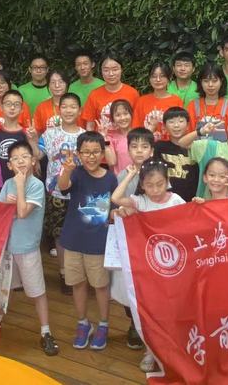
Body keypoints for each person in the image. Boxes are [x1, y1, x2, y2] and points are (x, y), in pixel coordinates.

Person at [111, 159, 185, 372]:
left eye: (160, 184)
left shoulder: (176, 200)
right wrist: (130, 175)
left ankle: (173, 351)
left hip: (174, 265)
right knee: (152, 311)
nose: (155, 190)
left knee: (172, 310)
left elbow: (190, 221)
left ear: (167, 181)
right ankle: (151, 351)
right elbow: (116, 198)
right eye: (149, 185)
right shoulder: (141, 201)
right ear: (142, 185)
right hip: (149, 266)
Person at [0, 141, 59, 356]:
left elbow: (22, 213)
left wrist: (20, 187)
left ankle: (45, 331)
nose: (20, 161)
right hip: (7, 246)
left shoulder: (35, 185)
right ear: (9, 165)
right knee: (5, 287)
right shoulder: (7, 184)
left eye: (25, 156)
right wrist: (7, 203)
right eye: (15, 158)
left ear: (33, 161)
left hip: (28, 247)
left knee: (37, 291)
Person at [57, 132, 117, 351]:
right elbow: (62, 187)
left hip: (98, 243)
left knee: (100, 286)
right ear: (78, 154)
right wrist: (67, 170)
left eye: (95, 152)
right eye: (86, 152)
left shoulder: (110, 178)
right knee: (77, 284)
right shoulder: (76, 173)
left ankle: (103, 324)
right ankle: (83, 323)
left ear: (102, 154)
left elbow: (114, 208)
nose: (91, 157)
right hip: (73, 240)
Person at [35, 92, 85, 295]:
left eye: (73, 106)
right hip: (56, 192)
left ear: (79, 110)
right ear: (58, 110)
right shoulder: (49, 134)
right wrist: (32, 139)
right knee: (59, 234)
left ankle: (79, 273)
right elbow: (38, 155)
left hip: (80, 192)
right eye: (64, 106)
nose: (68, 110)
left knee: (79, 233)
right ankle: (64, 273)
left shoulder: (85, 136)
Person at [110, 127, 154, 351]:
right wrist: (118, 212)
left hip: (151, 238)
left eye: (144, 146)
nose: (139, 151)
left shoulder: (158, 174)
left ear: (152, 151)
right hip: (130, 237)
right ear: (127, 150)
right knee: (128, 282)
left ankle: (149, 325)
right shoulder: (123, 175)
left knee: (149, 284)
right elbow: (115, 204)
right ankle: (133, 324)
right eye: (134, 146)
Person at [153, 107, 199, 202]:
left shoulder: (196, 148)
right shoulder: (158, 147)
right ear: (164, 127)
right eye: (171, 122)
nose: (176, 125)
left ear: (188, 125)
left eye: (181, 121)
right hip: (164, 202)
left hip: (190, 202)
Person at [82, 55, 140, 130]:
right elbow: (90, 125)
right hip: (101, 137)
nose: (111, 74)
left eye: (115, 69)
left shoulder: (132, 93)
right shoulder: (94, 94)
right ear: (101, 71)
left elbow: (137, 122)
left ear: (121, 69)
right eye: (106, 70)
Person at [186, 61, 228, 142]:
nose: (210, 85)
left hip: (223, 149)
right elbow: (188, 134)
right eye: (206, 81)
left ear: (221, 81)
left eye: (214, 81)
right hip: (197, 149)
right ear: (200, 82)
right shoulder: (192, 106)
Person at [131, 62, 182, 137]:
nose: (158, 80)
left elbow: (181, 128)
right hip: (146, 143)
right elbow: (135, 129)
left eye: (162, 76)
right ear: (149, 79)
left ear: (169, 78)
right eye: (154, 76)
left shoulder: (176, 101)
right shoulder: (141, 101)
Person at [0, 90, 30, 181]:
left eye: (16, 104)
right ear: (1, 107)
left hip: (21, 181)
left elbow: (31, 160)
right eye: (8, 104)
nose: (12, 107)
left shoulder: (26, 133)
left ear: (22, 109)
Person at [34, 69, 82, 136]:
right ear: (48, 85)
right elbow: (38, 133)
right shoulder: (42, 107)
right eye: (53, 82)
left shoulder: (75, 106)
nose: (57, 85)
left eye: (61, 82)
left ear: (67, 84)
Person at [99, 99, 133, 175]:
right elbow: (112, 162)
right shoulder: (111, 137)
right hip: (120, 179)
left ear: (131, 114)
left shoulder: (138, 134)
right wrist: (104, 138)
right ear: (113, 119)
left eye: (126, 113)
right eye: (118, 115)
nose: (123, 118)